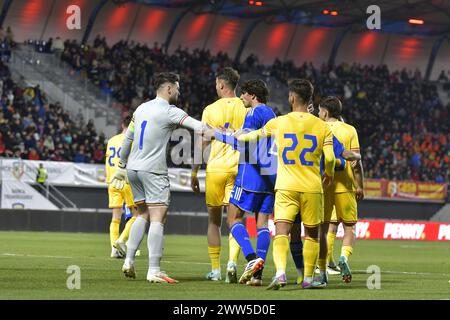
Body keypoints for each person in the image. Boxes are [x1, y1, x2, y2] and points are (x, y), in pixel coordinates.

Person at [236, 79, 336, 290]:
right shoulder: (323, 126)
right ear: (310, 99)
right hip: (312, 187)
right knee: (310, 234)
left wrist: (236, 136)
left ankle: (280, 274)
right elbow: (329, 159)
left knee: (281, 230)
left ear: (291, 97)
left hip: (286, 186)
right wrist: (328, 174)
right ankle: (308, 278)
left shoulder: (279, 122)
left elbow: (253, 136)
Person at [110, 72, 206, 284]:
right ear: (169, 88)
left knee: (142, 214)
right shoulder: (170, 111)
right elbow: (199, 127)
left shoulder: (141, 108)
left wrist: (121, 165)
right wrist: (224, 132)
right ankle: (154, 270)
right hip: (153, 170)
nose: (179, 92)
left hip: (133, 169)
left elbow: (129, 138)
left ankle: (128, 260)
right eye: (178, 88)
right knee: (158, 217)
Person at [208, 79, 277, 286]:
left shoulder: (253, 113)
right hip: (269, 176)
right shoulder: (272, 115)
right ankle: (257, 275)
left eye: (244, 94)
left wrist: (217, 135)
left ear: (252, 96)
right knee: (263, 223)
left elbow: (243, 143)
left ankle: (251, 259)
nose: (241, 97)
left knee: (233, 219)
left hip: (250, 175)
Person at [190, 67, 247, 281]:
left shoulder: (210, 110)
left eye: (216, 84)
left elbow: (202, 142)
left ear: (221, 85)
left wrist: (194, 172)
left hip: (216, 169)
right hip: (240, 169)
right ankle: (232, 263)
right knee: (237, 219)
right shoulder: (246, 107)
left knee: (214, 222)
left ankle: (216, 270)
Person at [317, 96, 364, 283]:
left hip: (324, 185)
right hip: (346, 186)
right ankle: (344, 257)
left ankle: (323, 269)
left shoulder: (318, 128)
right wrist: (360, 185)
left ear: (325, 112)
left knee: (325, 227)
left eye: (319, 111)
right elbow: (356, 162)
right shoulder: (350, 130)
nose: (318, 114)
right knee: (350, 227)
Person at [105, 115, 138, 258]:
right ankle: (121, 240)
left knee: (115, 217)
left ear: (121, 125)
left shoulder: (111, 140)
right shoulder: (132, 140)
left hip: (112, 181)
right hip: (127, 180)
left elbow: (107, 162)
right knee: (137, 215)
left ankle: (114, 249)